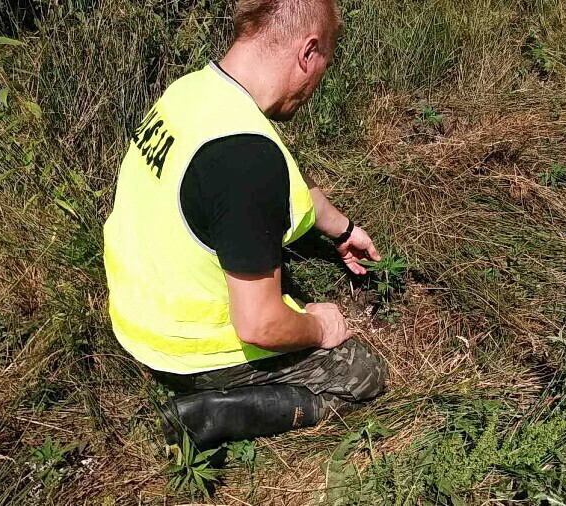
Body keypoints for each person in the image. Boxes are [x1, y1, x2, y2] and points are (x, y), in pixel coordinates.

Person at [103, 0, 387, 451]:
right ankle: (215, 412)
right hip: (186, 347)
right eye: (324, 64)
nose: (317, 84)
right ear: (308, 51)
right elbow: (260, 325)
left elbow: (285, 185)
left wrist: (343, 229)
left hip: (136, 313)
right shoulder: (246, 160)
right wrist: (317, 324)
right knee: (362, 373)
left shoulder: (194, 91)